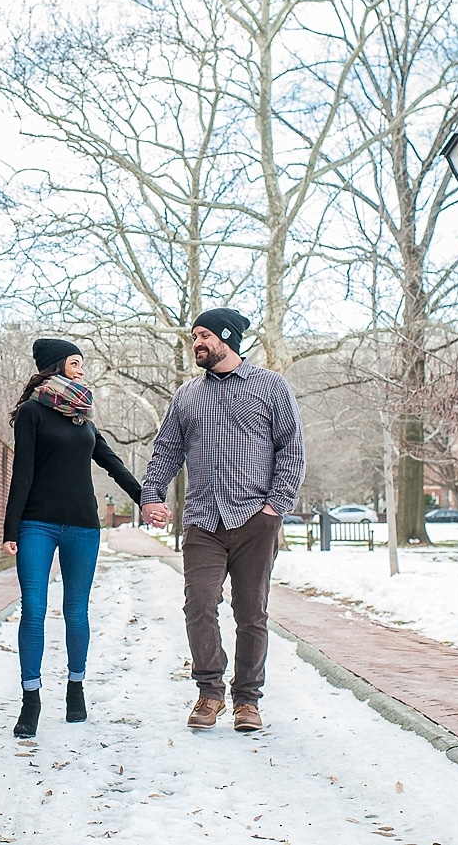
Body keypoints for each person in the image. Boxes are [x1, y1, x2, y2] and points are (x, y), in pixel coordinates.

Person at [140, 308, 305, 733]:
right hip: (202, 520)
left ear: (227, 338)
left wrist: (275, 508)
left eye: (204, 335)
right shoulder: (187, 396)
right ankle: (209, 692)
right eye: (195, 336)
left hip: (255, 518)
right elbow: (166, 452)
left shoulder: (270, 387)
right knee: (199, 606)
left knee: (251, 613)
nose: (197, 343)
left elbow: (291, 450)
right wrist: (151, 495)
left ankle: (247, 700)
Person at [3, 337, 143, 739]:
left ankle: (75, 688)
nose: (81, 369)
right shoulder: (32, 413)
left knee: (76, 610)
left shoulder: (83, 417)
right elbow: (23, 472)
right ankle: (31, 699)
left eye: (82, 363)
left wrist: (144, 498)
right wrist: (11, 527)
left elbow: (111, 462)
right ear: (56, 366)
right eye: (75, 362)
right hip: (36, 525)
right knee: (33, 608)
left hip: (83, 525)